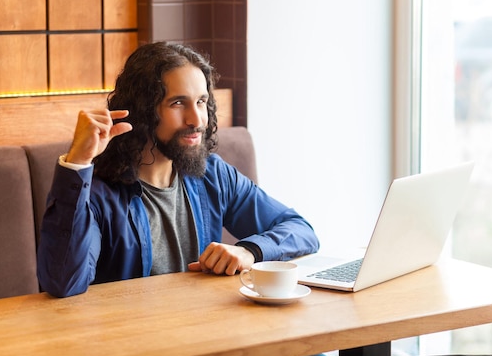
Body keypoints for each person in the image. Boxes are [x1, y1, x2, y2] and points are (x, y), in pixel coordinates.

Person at [37, 41, 320, 299]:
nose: (196, 119)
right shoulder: (99, 191)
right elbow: (64, 282)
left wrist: (250, 250)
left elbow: (301, 231)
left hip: (209, 332)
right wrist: (77, 163)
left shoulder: (213, 175)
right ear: (143, 109)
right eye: (177, 103)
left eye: (201, 102)